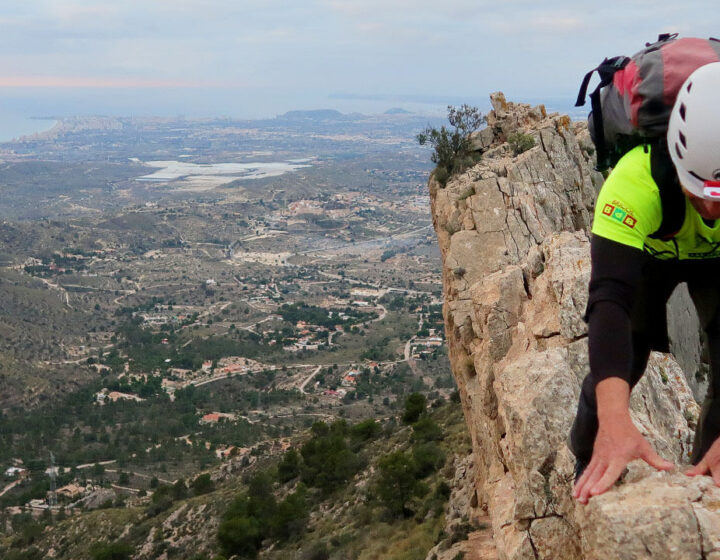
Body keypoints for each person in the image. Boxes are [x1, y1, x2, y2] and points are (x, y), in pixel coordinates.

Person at [569, 62, 720, 504]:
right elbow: (609, 299)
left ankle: (706, 484)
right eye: (700, 195)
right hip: (653, 254)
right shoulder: (635, 181)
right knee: (625, 354)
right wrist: (616, 420)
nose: (712, 213)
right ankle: (590, 457)